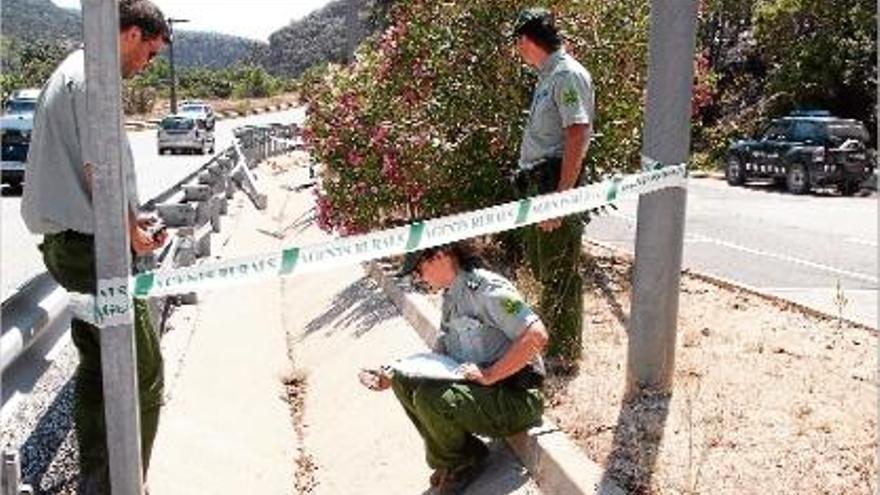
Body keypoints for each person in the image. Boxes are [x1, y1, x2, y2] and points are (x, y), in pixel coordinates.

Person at [21, 1, 170, 492]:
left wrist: (133, 220)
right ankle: (127, 483)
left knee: (98, 367)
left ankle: (99, 481)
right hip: (93, 254)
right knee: (142, 373)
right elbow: (98, 172)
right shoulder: (92, 81)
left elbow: (96, 177)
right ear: (129, 34)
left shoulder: (75, 73)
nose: (146, 65)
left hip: (80, 246)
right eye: (149, 53)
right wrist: (131, 233)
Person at [360, 242, 548, 494]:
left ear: (440, 255)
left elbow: (536, 335)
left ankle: (461, 462)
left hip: (517, 398)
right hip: (487, 395)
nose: (418, 277)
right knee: (404, 382)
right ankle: (459, 458)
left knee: (432, 397)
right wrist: (394, 372)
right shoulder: (451, 297)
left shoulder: (486, 289)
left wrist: (490, 375)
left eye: (419, 269)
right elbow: (442, 353)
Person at [511, 8, 595, 367]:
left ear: (527, 41)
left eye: (517, 45)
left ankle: (563, 354)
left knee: (560, 269)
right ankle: (552, 346)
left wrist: (561, 199)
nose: (517, 52)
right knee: (545, 267)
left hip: (552, 182)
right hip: (538, 183)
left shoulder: (566, 74)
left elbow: (577, 132)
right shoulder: (548, 76)